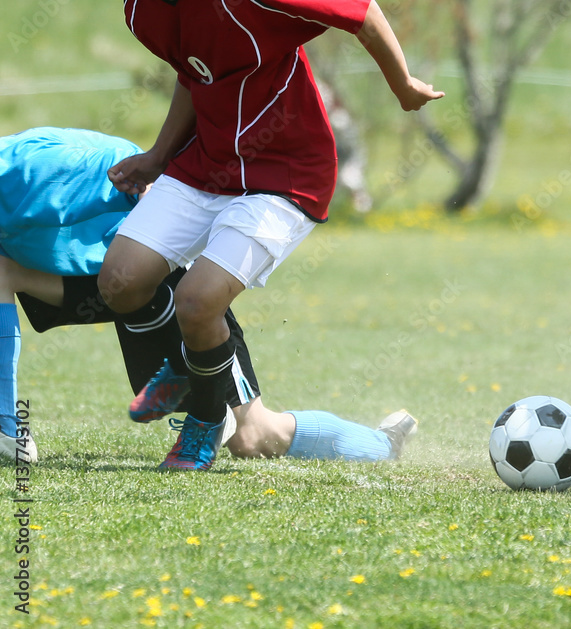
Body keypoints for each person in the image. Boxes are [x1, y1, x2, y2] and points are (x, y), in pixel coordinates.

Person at [97, 1, 442, 470]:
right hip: (206, 166)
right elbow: (196, 70)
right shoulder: (142, 11)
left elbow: (362, 11)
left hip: (285, 177)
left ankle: (204, 421)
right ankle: (189, 369)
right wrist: (160, 154)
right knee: (120, 280)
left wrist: (403, 85)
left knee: (199, 307)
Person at [0, 126, 416, 466]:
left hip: (163, 275)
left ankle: (383, 446)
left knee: (255, 435)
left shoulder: (41, 170)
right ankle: (6, 429)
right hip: (107, 282)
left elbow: (159, 197)